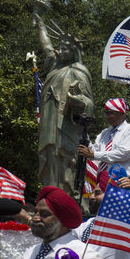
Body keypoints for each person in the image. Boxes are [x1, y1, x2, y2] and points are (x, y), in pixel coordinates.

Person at [33, 11, 95, 192]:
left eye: (66, 48)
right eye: (60, 47)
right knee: (48, 157)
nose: (61, 51)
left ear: (74, 51)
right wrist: (41, 25)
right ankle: (50, 194)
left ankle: (66, 195)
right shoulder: (55, 65)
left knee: (65, 160)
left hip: (65, 125)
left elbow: (89, 102)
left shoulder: (79, 71)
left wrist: (75, 100)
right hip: (49, 124)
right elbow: (46, 46)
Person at [78, 99, 130, 182]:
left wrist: (93, 154)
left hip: (124, 180)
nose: (107, 117)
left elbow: (122, 154)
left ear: (121, 114)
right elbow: (92, 151)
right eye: (105, 113)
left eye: (110, 113)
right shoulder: (105, 132)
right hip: (104, 180)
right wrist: (84, 129)